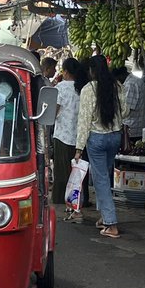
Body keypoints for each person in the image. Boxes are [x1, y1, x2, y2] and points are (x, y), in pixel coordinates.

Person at [74, 54, 126, 238]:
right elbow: (125, 111)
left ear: (91, 70)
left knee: (101, 179)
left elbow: (84, 120)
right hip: (115, 137)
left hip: (96, 139)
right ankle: (104, 216)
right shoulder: (117, 86)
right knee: (105, 176)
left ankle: (111, 223)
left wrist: (79, 148)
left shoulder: (88, 89)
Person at [52, 57, 88, 218]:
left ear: (65, 72)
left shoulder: (60, 87)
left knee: (62, 171)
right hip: (79, 136)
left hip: (62, 134)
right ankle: (79, 200)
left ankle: (62, 199)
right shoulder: (83, 87)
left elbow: (54, 110)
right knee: (78, 171)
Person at [113, 66, 145, 143]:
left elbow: (126, 110)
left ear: (121, 76)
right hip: (139, 126)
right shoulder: (134, 80)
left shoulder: (130, 84)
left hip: (135, 129)